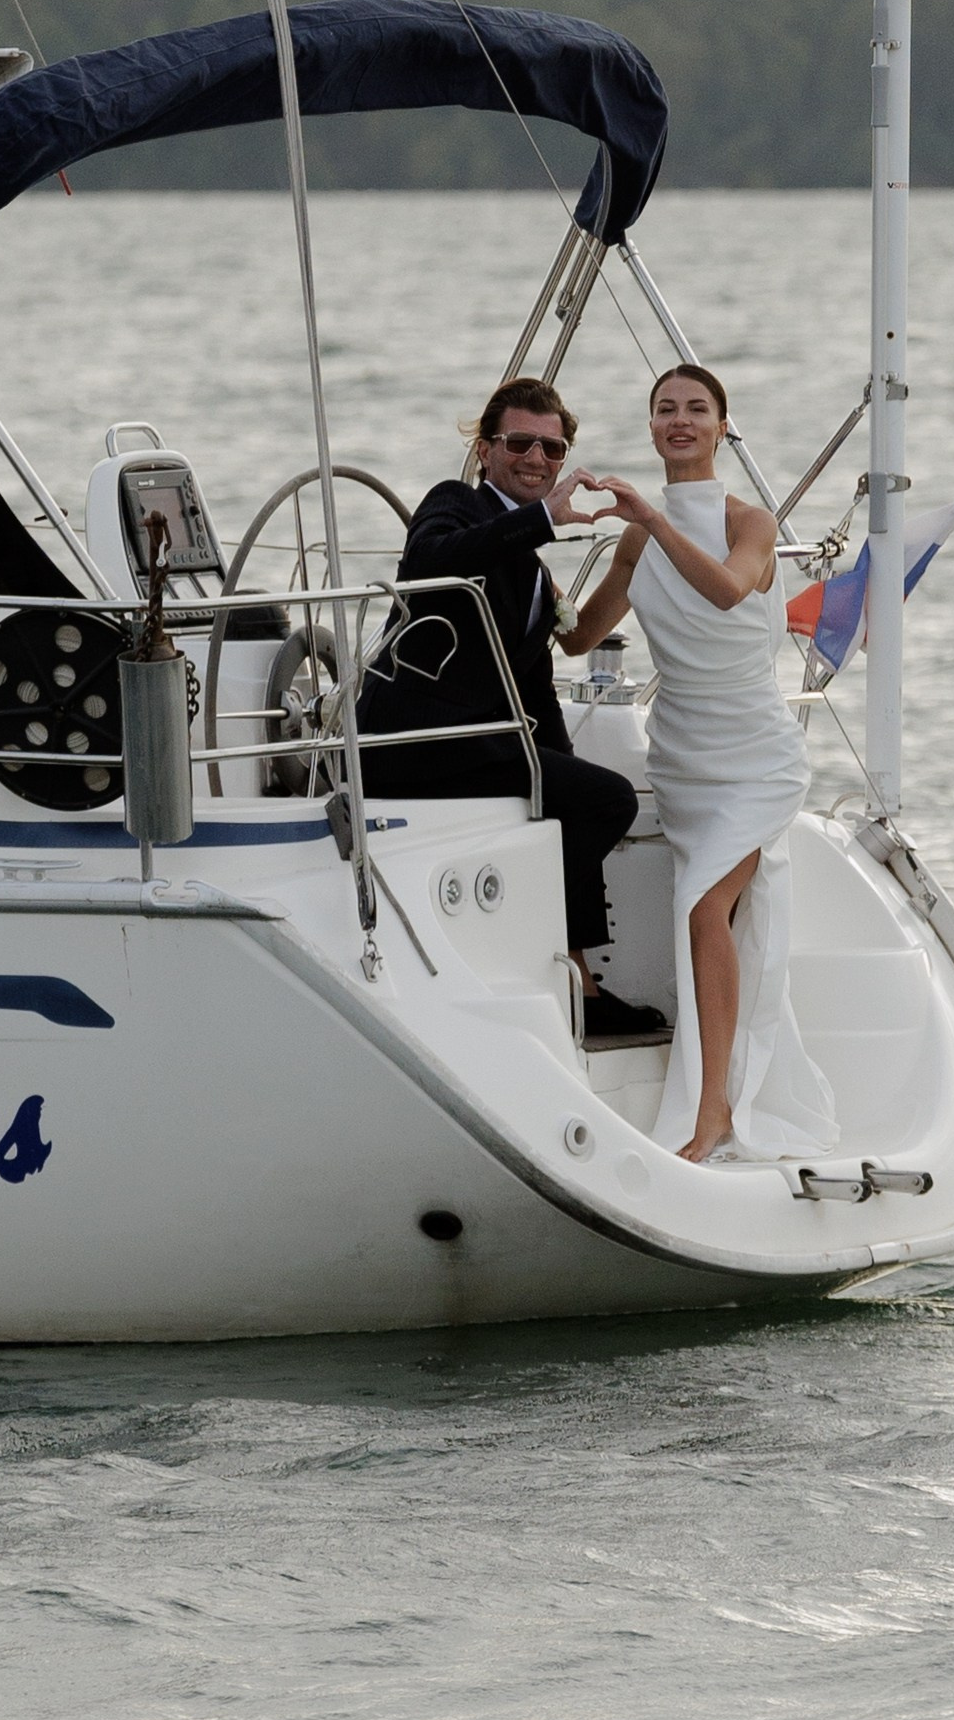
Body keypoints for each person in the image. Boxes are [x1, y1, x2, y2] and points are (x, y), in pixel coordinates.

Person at [560, 364, 838, 1164]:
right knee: (711, 916)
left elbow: (724, 590)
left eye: (697, 409)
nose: (680, 421)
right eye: (665, 410)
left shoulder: (751, 524)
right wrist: (531, 574)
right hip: (681, 755)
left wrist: (649, 510)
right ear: (651, 428)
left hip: (753, 756)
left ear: (722, 427)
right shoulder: (636, 539)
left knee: (702, 913)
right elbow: (580, 638)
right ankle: (721, 1091)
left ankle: (714, 1112)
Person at [358, 376, 666, 1041]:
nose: (536, 459)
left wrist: (558, 764)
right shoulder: (457, 506)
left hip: (480, 744)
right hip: (414, 742)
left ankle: (580, 983)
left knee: (588, 797)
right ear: (485, 449)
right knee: (603, 801)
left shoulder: (528, 566)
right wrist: (542, 520)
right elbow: (426, 561)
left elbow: (532, 685)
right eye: (520, 442)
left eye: (552, 450)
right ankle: (542, 958)